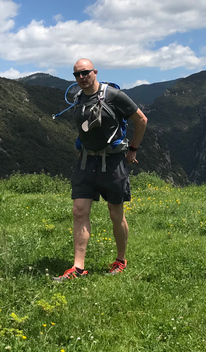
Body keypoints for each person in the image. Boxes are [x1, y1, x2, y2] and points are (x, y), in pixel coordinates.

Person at [53, 58, 148, 281]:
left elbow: (141, 119)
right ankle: (78, 268)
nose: (81, 78)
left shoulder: (114, 96)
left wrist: (133, 149)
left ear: (95, 72)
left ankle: (120, 260)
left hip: (113, 163)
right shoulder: (78, 98)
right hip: (86, 162)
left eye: (85, 72)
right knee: (79, 211)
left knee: (116, 213)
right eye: (77, 74)